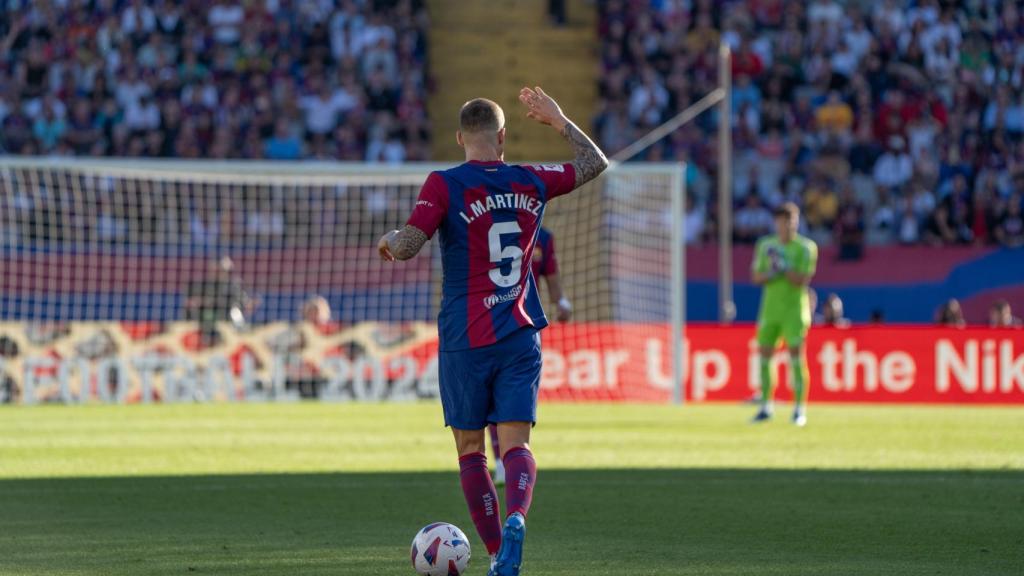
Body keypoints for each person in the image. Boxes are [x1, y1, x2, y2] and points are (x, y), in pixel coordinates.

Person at [377, 88, 608, 576]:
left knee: (470, 452)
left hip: (466, 337)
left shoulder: (445, 184)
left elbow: (408, 246)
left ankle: (496, 553)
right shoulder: (531, 178)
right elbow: (595, 163)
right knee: (517, 445)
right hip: (520, 332)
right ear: (503, 137)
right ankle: (517, 516)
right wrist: (559, 120)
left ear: (460, 138)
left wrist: (389, 241)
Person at [490, 226, 571, 485]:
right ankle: (503, 462)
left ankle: (510, 462)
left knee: (514, 400)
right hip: (489, 324)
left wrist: (561, 301)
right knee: (493, 399)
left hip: (525, 325)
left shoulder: (543, 237)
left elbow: (551, 275)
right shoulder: (486, 225)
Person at [750, 203, 818, 426]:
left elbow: (802, 280)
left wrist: (783, 265)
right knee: (764, 356)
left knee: (796, 357)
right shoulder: (765, 245)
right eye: (783, 220)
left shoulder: (806, 248)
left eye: (792, 221)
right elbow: (756, 277)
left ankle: (799, 409)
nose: (788, 225)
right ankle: (766, 406)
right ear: (776, 222)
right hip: (770, 310)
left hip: (794, 311)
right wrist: (772, 270)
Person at [183, 256, 254, 348]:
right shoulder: (208, 284)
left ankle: (239, 329)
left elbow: (245, 301)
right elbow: (198, 300)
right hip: (214, 313)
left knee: (235, 309)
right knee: (206, 313)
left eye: (224, 271)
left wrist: (247, 303)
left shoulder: (235, 284)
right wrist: (201, 302)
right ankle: (204, 335)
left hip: (228, 313)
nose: (221, 273)